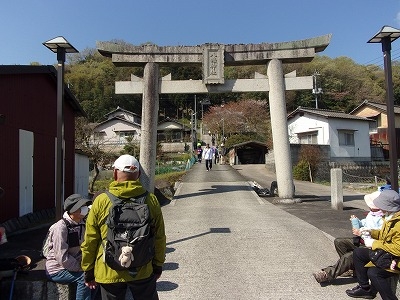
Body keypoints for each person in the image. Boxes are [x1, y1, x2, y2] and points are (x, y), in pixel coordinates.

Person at [81, 154, 166, 300]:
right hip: (142, 267)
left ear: (115, 173)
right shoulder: (150, 199)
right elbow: (159, 237)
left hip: (108, 268)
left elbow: (90, 240)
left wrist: (88, 270)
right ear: (138, 174)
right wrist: (158, 265)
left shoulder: (101, 200)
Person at [313, 191, 384, 284]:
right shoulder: (372, 213)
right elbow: (364, 223)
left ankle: (327, 274)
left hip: (370, 245)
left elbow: (378, 235)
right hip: (362, 239)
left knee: (349, 256)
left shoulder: (383, 218)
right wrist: (356, 221)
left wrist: (361, 232)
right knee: (339, 242)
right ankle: (351, 268)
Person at [346, 189, 400, 300]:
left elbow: (398, 249)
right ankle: (364, 288)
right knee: (358, 253)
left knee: (374, 273)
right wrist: (370, 232)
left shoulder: (397, 222)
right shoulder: (390, 216)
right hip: (388, 253)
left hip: (396, 258)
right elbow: (384, 235)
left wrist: (374, 243)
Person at [45, 194, 92, 300]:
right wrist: (80, 267)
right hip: (57, 269)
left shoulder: (83, 223)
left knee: (94, 275)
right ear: (74, 210)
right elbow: (62, 257)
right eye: (82, 206)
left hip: (74, 263)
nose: (85, 209)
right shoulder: (60, 228)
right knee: (84, 277)